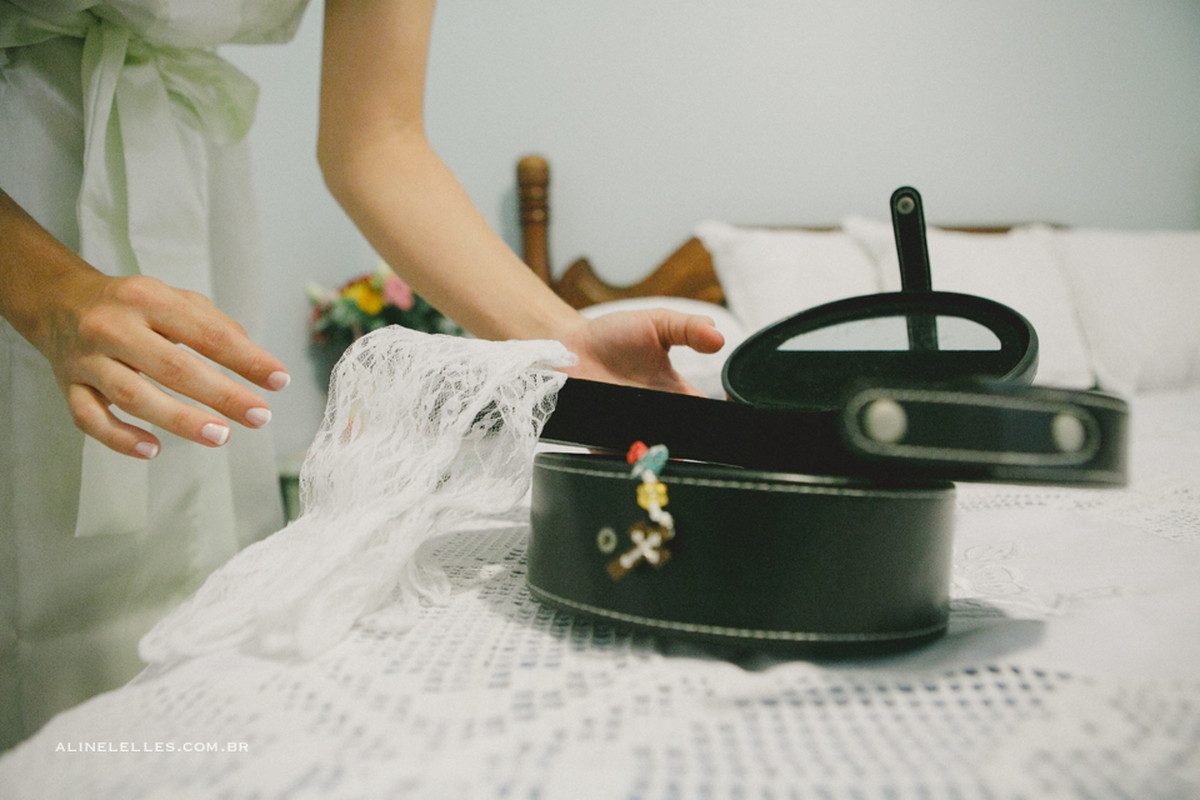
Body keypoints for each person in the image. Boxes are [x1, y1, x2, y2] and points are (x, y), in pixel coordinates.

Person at [0, 0, 724, 748]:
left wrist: (567, 346)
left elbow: (377, 140)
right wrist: (50, 293)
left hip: (190, 198)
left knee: (192, 622)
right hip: (22, 213)